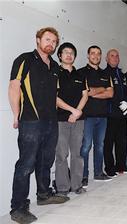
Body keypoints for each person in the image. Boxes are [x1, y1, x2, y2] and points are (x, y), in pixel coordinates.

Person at [8, 27, 69, 224]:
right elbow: (14, 86)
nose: (50, 44)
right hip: (31, 121)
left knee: (46, 160)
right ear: (38, 40)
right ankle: (18, 208)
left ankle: (44, 195)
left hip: (51, 121)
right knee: (26, 165)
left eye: (54, 41)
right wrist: (16, 114)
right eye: (47, 39)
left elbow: (55, 97)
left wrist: (71, 109)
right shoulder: (25, 59)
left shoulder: (55, 67)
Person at [55, 42, 88, 196]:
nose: (69, 55)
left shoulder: (80, 75)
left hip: (78, 119)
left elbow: (85, 95)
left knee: (77, 153)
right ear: (60, 55)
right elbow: (54, 98)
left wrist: (78, 112)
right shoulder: (54, 73)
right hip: (61, 120)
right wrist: (71, 110)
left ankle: (77, 185)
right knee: (61, 154)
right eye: (65, 52)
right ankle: (62, 188)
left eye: (72, 53)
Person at [78, 45, 114, 188]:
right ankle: (84, 176)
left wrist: (94, 92)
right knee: (86, 146)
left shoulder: (106, 74)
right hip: (87, 116)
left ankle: (98, 173)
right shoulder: (81, 73)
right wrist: (102, 89)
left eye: (98, 54)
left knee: (100, 146)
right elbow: (86, 93)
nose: (96, 56)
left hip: (103, 116)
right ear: (88, 55)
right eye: (93, 53)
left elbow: (110, 94)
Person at [103, 49, 127, 176]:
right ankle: (110, 167)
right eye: (112, 56)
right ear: (107, 58)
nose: (115, 58)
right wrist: (117, 104)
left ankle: (121, 165)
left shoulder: (122, 75)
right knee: (109, 142)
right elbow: (106, 93)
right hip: (110, 114)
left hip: (123, 114)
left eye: (117, 56)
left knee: (122, 141)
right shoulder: (104, 74)